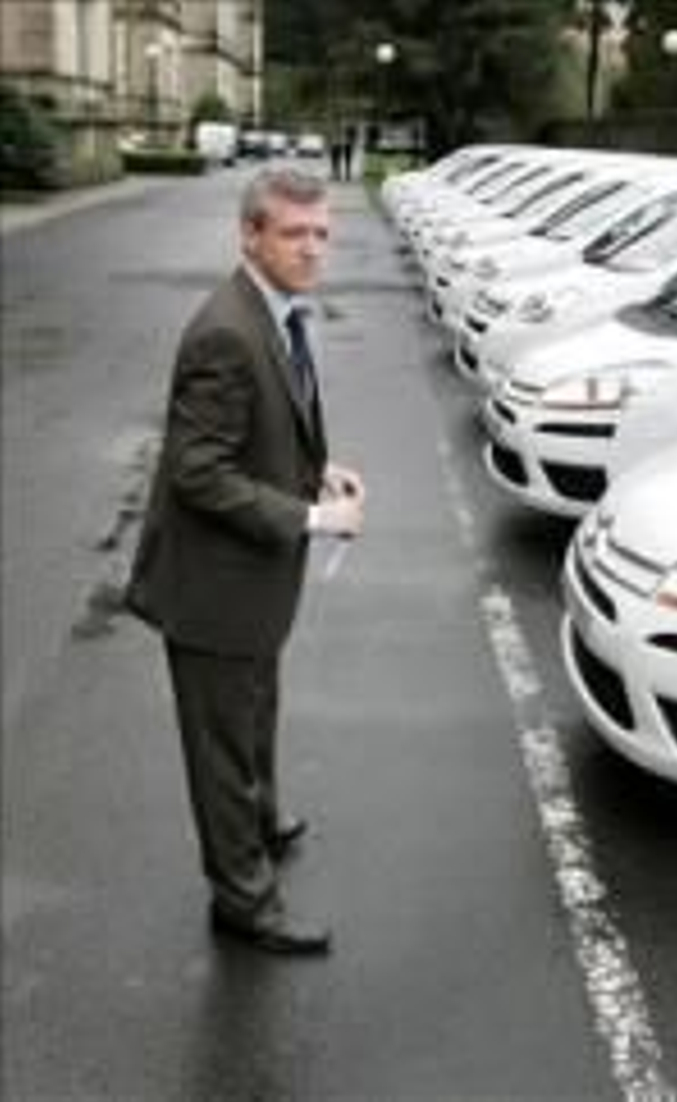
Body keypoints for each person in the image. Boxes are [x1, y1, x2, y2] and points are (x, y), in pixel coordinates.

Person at [125, 166, 365, 955]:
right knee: (223, 749)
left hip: (249, 588)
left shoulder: (276, 310)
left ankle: (260, 822)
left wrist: (316, 471)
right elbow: (197, 472)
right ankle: (244, 900)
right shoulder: (226, 331)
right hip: (213, 592)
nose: (313, 248)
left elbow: (268, 424)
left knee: (255, 713)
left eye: (322, 232)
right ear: (250, 236)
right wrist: (313, 517)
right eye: (294, 233)